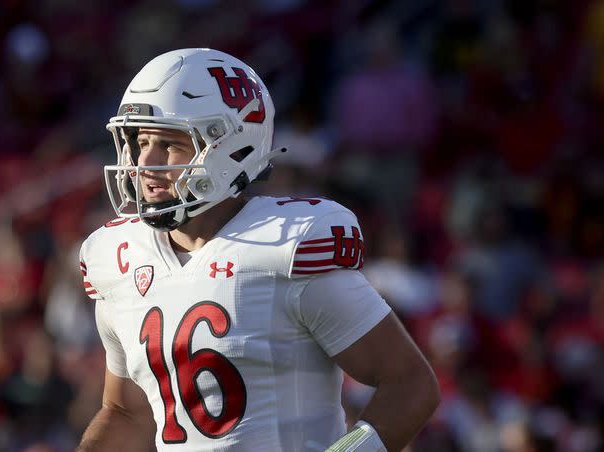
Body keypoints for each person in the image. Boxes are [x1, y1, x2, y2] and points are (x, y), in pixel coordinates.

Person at [76, 48, 440, 452]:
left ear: (228, 148)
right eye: (140, 141)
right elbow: (128, 414)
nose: (146, 162)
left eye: (170, 144)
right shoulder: (119, 258)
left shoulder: (284, 247)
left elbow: (410, 384)